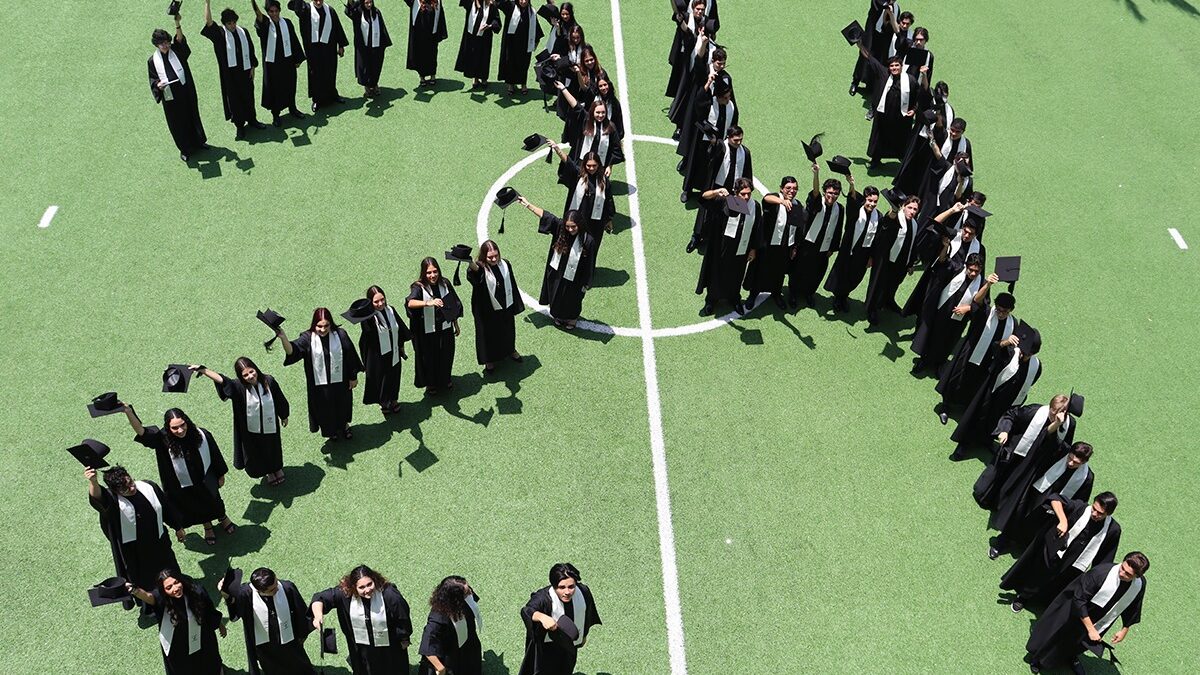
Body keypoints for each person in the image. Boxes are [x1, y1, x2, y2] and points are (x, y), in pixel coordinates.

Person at [124, 405, 235, 545]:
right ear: (168, 428)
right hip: (182, 484)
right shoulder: (162, 440)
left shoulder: (200, 434)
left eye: (182, 425)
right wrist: (128, 412)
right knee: (197, 505)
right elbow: (142, 432)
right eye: (174, 428)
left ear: (186, 421)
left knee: (215, 500)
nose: (180, 430)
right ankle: (207, 526)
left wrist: (220, 474)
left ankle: (223, 517)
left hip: (205, 478)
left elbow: (215, 454)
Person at [1024, 552, 1149, 673]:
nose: (1121, 573)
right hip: (1073, 610)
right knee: (1057, 635)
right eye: (1122, 567)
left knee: (1081, 642)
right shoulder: (1100, 573)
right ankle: (1038, 659)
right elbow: (1079, 600)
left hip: (1100, 617)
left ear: (1137, 576)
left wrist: (1124, 629)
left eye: (1128, 574)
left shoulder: (1139, 584)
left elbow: (1134, 606)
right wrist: (1090, 629)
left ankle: (1070, 657)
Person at [1002, 492, 1121, 612]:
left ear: (1109, 513)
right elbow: (1055, 498)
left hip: (1077, 563)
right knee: (1039, 575)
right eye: (1094, 509)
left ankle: (1043, 603)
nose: (1094, 514)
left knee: (1059, 585)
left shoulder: (1113, 530)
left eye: (1100, 513)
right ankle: (1023, 597)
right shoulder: (1080, 507)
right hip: (1057, 550)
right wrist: (1063, 520)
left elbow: (1106, 555)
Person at [86, 465, 182, 601]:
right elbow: (98, 498)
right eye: (125, 489)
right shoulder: (113, 501)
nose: (131, 488)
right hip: (135, 551)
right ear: (115, 490)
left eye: (130, 482)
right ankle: (152, 603)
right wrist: (93, 482)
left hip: (160, 541)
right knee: (145, 579)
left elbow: (165, 508)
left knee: (170, 568)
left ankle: (179, 591)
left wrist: (177, 527)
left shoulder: (148, 486)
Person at [992, 442, 1097, 559]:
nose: (1070, 463)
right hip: (1038, 490)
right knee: (1019, 514)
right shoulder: (1061, 451)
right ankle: (1003, 540)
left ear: (1084, 462)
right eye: (1070, 458)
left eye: (1076, 462)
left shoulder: (1087, 477)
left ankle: (1023, 545)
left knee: (1038, 525)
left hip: (1057, 504)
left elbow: (1080, 500)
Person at [193, 359, 290, 486]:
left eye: (251, 371)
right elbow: (222, 380)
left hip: (270, 425)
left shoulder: (269, 381)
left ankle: (276, 468)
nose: (250, 376)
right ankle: (268, 472)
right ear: (241, 377)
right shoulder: (238, 386)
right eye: (245, 375)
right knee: (257, 451)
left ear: (256, 369)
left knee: (273, 447)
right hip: (250, 429)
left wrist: (284, 415)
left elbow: (279, 398)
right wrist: (203, 370)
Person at [974, 394, 1076, 513]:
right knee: (1000, 475)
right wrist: (1004, 431)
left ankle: (1001, 504)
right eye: (1052, 412)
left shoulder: (1070, 424)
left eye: (1056, 414)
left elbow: (1066, 445)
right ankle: (985, 496)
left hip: (1037, 460)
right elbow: (1011, 415)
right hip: (1016, 449)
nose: (1053, 416)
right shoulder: (1034, 412)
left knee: (1017, 482)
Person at [950, 329, 1044, 457]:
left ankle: (986, 440)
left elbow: (1031, 381)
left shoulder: (1036, 366)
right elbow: (995, 348)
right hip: (992, 392)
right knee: (979, 417)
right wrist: (1005, 342)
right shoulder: (1011, 352)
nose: (1026, 356)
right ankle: (965, 444)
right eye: (1025, 352)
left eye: (1030, 354)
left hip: (1010, 399)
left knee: (996, 421)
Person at [279, 307, 364, 441]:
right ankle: (331, 431)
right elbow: (293, 351)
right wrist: (284, 338)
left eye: (326, 326)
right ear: (314, 325)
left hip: (340, 381)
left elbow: (350, 355)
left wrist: (353, 377)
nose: (323, 330)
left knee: (342, 404)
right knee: (325, 409)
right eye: (319, 326)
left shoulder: (340, 334)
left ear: (331, 324)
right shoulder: (307, 338)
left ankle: (345, 426)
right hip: (319, 385)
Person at [311, 565, 413, 674]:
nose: (367, 590)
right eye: (362, 587)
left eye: (370, 584)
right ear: (353, 587)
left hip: (388, 648)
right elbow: (319, 598)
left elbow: (402, 617)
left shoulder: (389, 594)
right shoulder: (345, 594)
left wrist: (404, 638)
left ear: (375, 579)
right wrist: (318, 616)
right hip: (361, 647)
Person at [127, 570, 227, 674]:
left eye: (176, 583)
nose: (175, 588)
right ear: (163, 590)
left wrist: (220, 625)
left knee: (209, 661)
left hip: (203, 637)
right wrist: (134, 590)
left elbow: (210, 610)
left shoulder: (197, 592)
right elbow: (149, 597)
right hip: (177, 644)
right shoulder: (162, 599)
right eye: (169, 587)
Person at [517, 197, 595, 329]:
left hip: (576, 277)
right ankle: (558, 316)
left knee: (573, 299)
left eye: (573, 227)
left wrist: (586, 282)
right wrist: (528, 205)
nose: (570, 230)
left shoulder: (588, 240)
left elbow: (590, 263)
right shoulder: (560, 228)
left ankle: (572, 319)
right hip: (557, 270)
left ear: (579, 225)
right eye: (568, 226)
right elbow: (546, 216)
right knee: (556, 294)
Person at [935, 291, 1016, 419]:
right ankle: (945, 406)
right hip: (971, 352)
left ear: (1011, 310)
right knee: (957, 378)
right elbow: (976, 302)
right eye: (998, 310)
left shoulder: (1012, 324)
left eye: (1004, 311)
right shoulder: (986, 313)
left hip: (988, 360)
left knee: (975, 384)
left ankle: (963, 406)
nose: (1000, 314)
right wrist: (988, 285)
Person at [220, 567, 315, 674]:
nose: (277, 588)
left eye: (276, 582)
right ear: (260, 591)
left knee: (299, 664)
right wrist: (227, 594)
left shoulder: (287, 587)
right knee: (272, 667)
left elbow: (301, 610)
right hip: (265, 643)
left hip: (289, 639)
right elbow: (235, 613)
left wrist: (302, 634)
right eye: (272, 590)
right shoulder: (246, 594)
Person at [908, 254, 989, 376]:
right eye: (971, 270)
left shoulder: (982, 284)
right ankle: (924, 360)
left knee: (949, 340)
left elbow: (984, 305)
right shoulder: (956, 269)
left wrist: (968, 308)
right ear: (966, 266)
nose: (973, 274)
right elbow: (943, 262)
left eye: (976, 271)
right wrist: (945, 246)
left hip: (959, 319)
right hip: (942, 311)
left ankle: (939, 363)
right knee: (933, 336)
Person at [519, 563, 601, 675]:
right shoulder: (543, 597)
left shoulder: (584, 592)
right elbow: (527, 611)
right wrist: (542, 617)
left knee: (566, 670)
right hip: (546, 648)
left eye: (571, 587)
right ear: (554, 585)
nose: (567, 592)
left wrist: (584, 635)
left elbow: (587, 614)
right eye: (562, 587)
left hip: (569, 645)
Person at [695, 177, 760, 316]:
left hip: (741, 249)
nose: (747, 197)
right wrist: (716, 192)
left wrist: (753, 249)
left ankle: (734, 298)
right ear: (735, 192)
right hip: (722, 247)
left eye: (749, 193)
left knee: (736, 274)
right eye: (743, 194)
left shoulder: (755, 206)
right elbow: (703, 198)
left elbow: (756, 229)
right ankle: (711, 300)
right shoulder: (725, 201)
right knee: (716, 273)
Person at [201, 2, 265, 140]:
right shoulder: (220, 34)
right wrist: (207, 3)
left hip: (245, 71)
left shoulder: (244, 32)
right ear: (224, 23)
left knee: (249, 96)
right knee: (235, 101)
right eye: (229, 23)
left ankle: (252, 120)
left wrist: (253, 67)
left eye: (234, 22)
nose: (233, 25)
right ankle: (240, 126)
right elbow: (208, 22)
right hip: (230, 76)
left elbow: (251, 50)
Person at [148, 17, 208, 162]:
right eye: (162, 44)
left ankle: (199, 142)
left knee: (192, 115)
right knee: (177, 123)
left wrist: (177, 23)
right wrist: (158, 85)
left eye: (167, 42)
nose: (166, 45)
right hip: (170, 97)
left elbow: (180, 39)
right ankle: (185, 149)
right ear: (156, 45)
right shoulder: (152, 61)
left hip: (185, 91)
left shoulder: (176, 50)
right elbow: (153, 79)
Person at [857, 42, 922, 168]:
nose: (894, 68)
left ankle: (903, 161)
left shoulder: (910, 80)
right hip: (883, 115)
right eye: (891, 66)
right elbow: (870, 57)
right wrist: (859, 45)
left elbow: (918, 98)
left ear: (901, 66)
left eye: (896, 65)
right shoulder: (883, 74)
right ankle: (875, 160)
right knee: (879, 138)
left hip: (901, 117)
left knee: (901, 139)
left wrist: (914, 110)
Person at [406, 257, 463, 395]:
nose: (432, 275)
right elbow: (410, 303)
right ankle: (431, 384)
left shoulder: (445, 283)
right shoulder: (418, 287)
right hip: (427, 331)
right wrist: (428, 303)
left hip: (444, 328)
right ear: (424, 274)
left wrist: (455, 323)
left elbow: (453, 303)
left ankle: (445, 379)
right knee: (429, 358)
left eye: (435, 271)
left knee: (446, 354)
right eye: (429, 273)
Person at [746, 176, 804, 309]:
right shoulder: (774, 200)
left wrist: (794, 247)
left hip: (785, 248)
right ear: (781, 189)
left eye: (795, 188)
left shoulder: (798, 206)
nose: (792, 191)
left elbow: (798, 228)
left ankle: (776, 294)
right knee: (760, 270)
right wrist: (782, 202)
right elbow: (766, 198)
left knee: (779, 272)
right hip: (767, 244)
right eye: (788, 188)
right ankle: (753, 294)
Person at [550, 143, 615, 261]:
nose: (591, 168)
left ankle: (588, 270)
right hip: (578, 219)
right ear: (584, 165)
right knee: (573, 244)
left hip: (596, 222)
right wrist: (557, 149)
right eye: (588, 166)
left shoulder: (604, 181)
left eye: (594, 166)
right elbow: (568, 162)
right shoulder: (578, 176)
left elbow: (608, 200)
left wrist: (609, 219)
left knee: (591, 246)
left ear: (599, 165)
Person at [791, 165, 845, 308]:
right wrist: (816, 174)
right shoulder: (816, 202)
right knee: (800, 269)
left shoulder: (840, 208)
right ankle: (793, 293)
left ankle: (809, 293)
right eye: (829, 192)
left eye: (835, 194)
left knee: (817, 272)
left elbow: (838, 228)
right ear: (824, 191)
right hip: (808, 243)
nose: (832, 196)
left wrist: (832, 247)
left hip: (824, 246)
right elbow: (815, 192)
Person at [467, 240, 525, 373]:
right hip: (486, 309)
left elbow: (512, 283)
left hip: (505, 305)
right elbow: (475, 272)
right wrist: (469, 262)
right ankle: (489, 360)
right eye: (490, 257)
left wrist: (515, 303)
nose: (494, 259)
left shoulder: (505, 264)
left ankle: (510, 350)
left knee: (508, 329)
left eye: (496, 255)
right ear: (483, 256)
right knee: (488, 334)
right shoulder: (480, 267)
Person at [357, 285, 413, 414]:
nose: (380, 303)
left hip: (393, 351)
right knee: (381, 379)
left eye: (382, 299)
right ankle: (384, 403)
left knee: (394, 377)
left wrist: (401, 347)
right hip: (378, 355)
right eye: (376, 301)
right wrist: (368, 315)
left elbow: (400, 329)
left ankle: (393, 400)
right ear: (370, 303)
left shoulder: (390, 310)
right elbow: (368, 333)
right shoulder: (369, 318)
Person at [678, 77, 737, 199]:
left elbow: (733, 125)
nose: (728, 100)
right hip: (703, 142)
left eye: (729, 97)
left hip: (720, 144)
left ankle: (705, 193)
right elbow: (698, 103)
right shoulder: (708, 103)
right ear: (718, 96)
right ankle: (687, 190)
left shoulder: (731, 107)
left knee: (710, 171)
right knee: (696, 166)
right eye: (725, 98)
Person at [863, 193, 918, 324]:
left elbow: (912, 245)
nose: (912, 211)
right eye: (910, 207)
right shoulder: (896, 217)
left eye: (915, 209)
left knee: (893, 284)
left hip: (901, 263)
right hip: (885, 260)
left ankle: (888, 302)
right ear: (903, 207)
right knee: (878, 285)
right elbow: (886, 224)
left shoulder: (915, 224)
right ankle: (872, 309)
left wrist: (910, 263)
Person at [824, 179, 877, 312]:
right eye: (869, 200)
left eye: (875, 201)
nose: (872, 204)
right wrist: (852, 185)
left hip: (863, 254)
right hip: (848, 250)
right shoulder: (855, 212)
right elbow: (852, 199)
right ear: (864, 199)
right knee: (842, 275)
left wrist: (871, 257)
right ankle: (838, 298)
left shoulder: (878, 217)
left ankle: (844, 296)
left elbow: (877, 240)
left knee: (855, 277)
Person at [251, 0, 307, 126]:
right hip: (272, 65)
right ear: (268, 12)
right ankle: (276, 115)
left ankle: (292, 108)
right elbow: (258, 14)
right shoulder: (265, 24)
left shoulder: (286, 22)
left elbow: (293, 39)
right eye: (271, 11)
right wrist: (253, 2)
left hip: (288, 61)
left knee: (290, 85)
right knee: (275, 89)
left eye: (276, 11)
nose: (274, 14)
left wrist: (298, 59)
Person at [288, 0, 349, 111]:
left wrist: (341, 45)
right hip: (313, 50)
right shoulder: (306, 10)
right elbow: (297, 9)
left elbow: (337, 28)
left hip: (329, 48)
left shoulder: (330, 10)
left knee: (330, 72)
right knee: (315, 74)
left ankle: (333, 95)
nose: (318, 1)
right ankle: (317, 100)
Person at [416, 576, 483, 675]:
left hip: (468, 644)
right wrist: (440, 668)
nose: (470, 592)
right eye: (466, 592)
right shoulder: (438, 617)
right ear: (455, 598)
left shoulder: (464, 595)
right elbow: (427, 645)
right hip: (451, 653)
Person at [554, 85, 625, 170]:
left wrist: (609, 166)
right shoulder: (586, 120)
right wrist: (563, 89)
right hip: (582, 162)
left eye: (603, 112)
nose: (600, 115)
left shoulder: (610, 127)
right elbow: (575, 105)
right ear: (592, 111)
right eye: (598, 112)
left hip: (600, 166)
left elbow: (614, 149)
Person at [345, 0, 392, 97]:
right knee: (365, 67)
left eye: (370, 2)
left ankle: (374, 85)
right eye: (366, 3)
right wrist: (350, 2)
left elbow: (381, 27)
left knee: (376, 66)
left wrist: (383, 44)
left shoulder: (376, 12)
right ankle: (367, 87)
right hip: (364, 47)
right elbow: (349, 12)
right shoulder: (358, 13)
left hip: (376, 46)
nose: (369, 5)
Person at [497, 0, 544, 94]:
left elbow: (536, 28)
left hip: (525, 44)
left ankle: (523, 84)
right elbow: (500, 3)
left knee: (524, 64)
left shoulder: (532, 12)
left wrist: (536, 40)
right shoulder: (510, 6)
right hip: (511, 43)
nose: (523, 2)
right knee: (510, 62)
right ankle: (510, 84)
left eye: (526, 0)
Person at [454, 0, 500, 89]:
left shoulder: (491, 5)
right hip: (471, 36)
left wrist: (490, 26)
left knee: (484, 57)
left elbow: (496, 20)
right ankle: (475, 78)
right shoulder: (470, 3)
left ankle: (483, 78)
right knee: (472, 56)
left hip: (485, 37)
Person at [404, 0, 449, 86]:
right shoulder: (415, 1)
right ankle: (422, 77)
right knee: (420, 55)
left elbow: (440, 17)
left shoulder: (436, 1)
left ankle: (432, 75)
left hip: (432, 34)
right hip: (419, 35)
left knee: (432, 54)